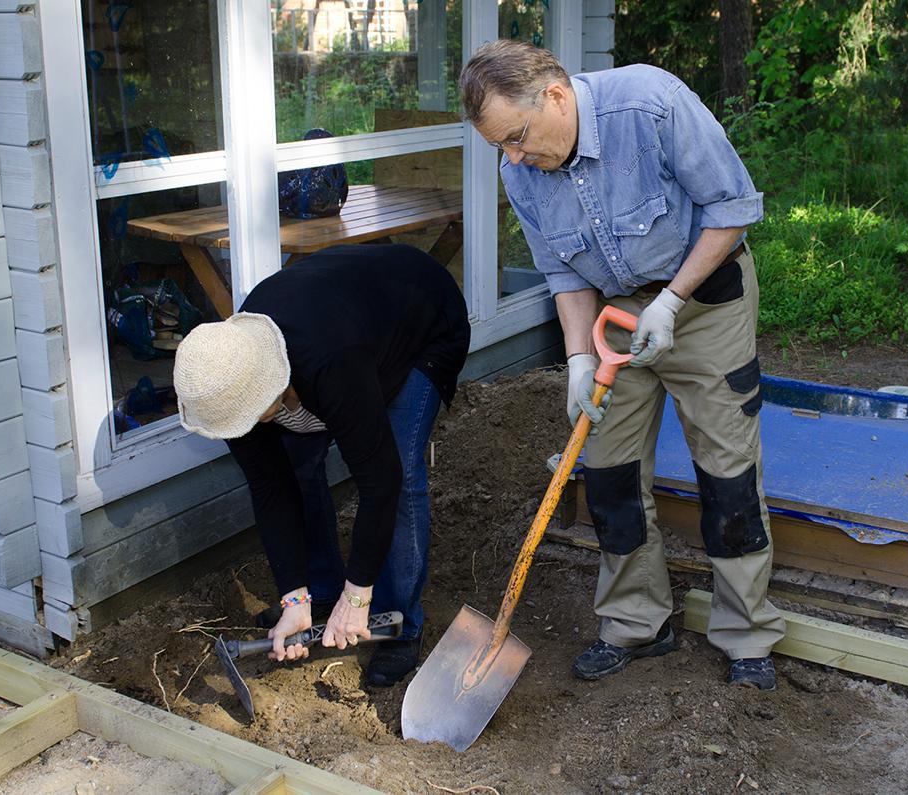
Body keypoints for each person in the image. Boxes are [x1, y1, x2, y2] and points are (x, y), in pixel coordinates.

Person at [459, 41, 786, 690]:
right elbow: (560, 269)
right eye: (502, 147)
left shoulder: (651, 105)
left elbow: (733, 207)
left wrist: (670, 300)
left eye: (518, 137)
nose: (515, 158)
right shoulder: (520, 169)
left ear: (554, 95)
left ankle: (746, 632)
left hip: (703, 299)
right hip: (611, 317)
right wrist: (580, 357)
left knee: (728, 473)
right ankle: (639, 624)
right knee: (607, 473)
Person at [172, 243, 470, 686]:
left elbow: (380, 481)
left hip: (421, 319)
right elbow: (271, 490)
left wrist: (360, 591)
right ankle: (319, 592)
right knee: (297, 468)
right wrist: (294, 598)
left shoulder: (331, 364)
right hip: (343, 316)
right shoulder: (227, 382)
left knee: (400, 470)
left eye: (256, 413)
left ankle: (399, 624)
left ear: (271, 390)